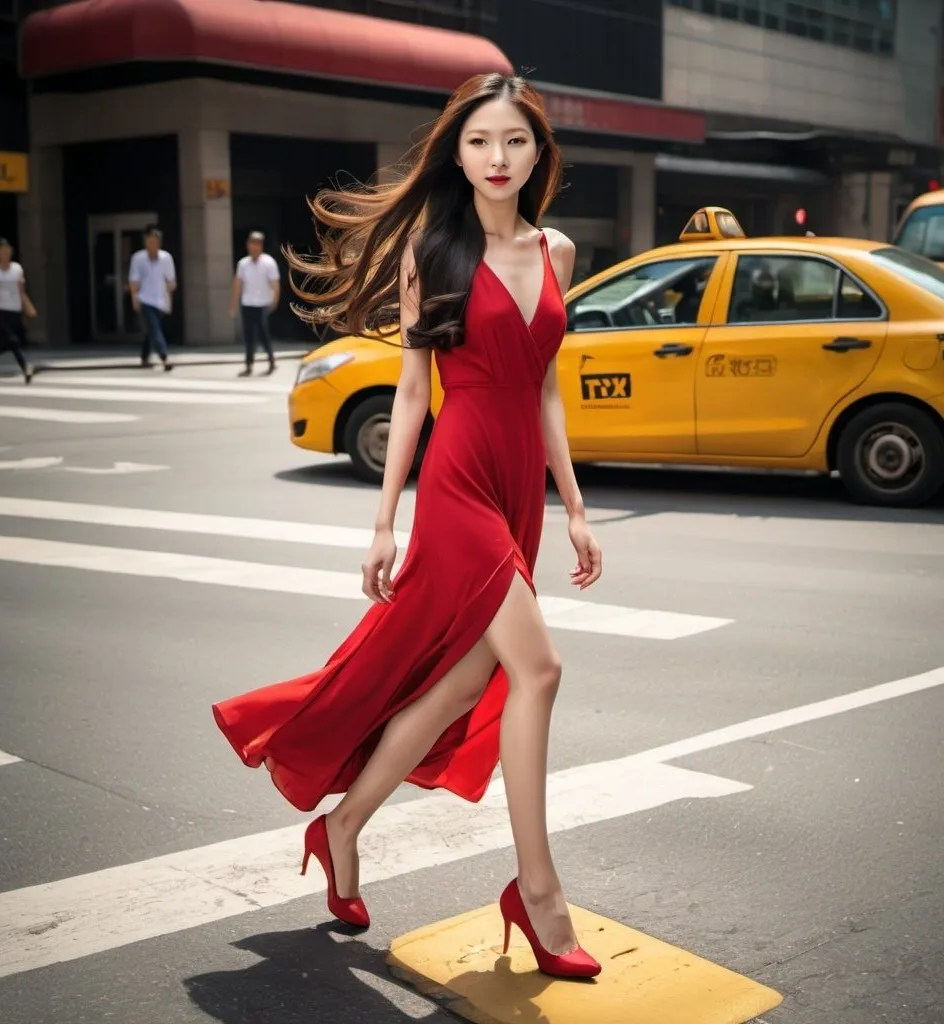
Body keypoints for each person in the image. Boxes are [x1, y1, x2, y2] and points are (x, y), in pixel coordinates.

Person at [212, 72, 604, 979]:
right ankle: (536, 891)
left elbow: (545, 382)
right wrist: (385, 521)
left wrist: (574, 507)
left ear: (538, 152)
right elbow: (415, 385)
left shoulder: (558, 250)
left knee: (460, 691)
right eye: (478, 142)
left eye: (514, 142)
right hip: (460, 482)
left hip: (518, 488)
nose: (496, 159)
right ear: (456, 152)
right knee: (539, 668)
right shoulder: (433, 248)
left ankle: (342, 826)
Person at [0, 238, 35, 383]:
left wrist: (27, 306)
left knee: (6, 342)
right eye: (1, 251)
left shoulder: (17, 268)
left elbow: (21, 290)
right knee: (13, 341)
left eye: (7, 250)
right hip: (1, 310)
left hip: (15, 309)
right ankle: (25, 367)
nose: (5, 253)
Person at [230, 230, 279, 376]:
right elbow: (237, 284)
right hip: (247, 303)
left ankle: (271, 360)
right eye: (252, 243)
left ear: (261, 246)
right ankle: (249, 364)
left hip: (263, 303)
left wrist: (275, 300)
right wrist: (233, 304)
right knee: (249, 335)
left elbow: (275, 283)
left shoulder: (269, 262)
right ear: (248, 245)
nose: (255, 247)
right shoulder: (243, 264)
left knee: (263, 332)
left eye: (258, 244)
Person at [128, 225, 176, 371]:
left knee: (151, 330)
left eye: (155, 242)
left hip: (160, 300)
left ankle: (144, 357)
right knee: (155, 329)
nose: (152, 245)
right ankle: (164, 356)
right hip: (145, 299)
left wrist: (170, 299)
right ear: (145, 242)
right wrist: (134, 297)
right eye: (150, 241)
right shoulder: (138, 258)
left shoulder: (166, 258)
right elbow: (133, 281)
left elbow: (171, 281)